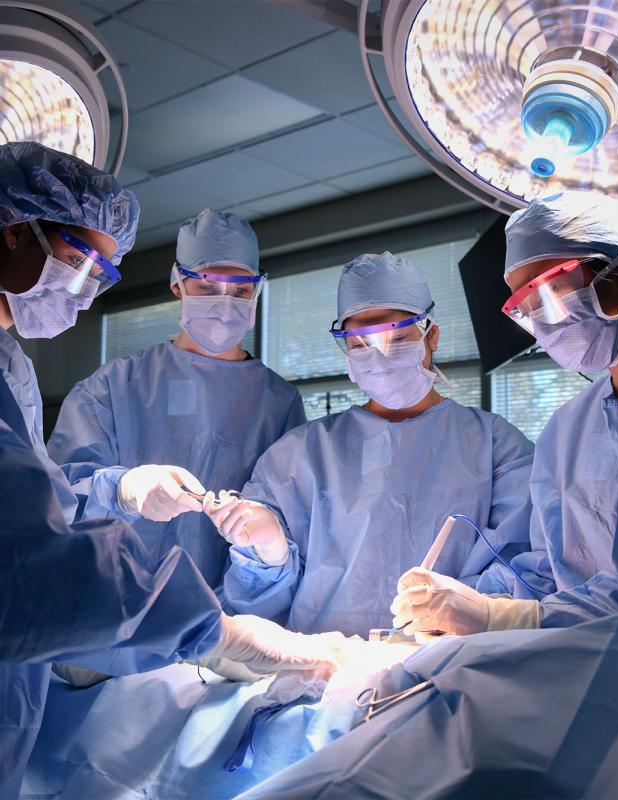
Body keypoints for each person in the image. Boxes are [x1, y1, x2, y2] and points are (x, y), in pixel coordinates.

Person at [0, 142, 331, 799]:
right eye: (79, 264)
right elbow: (30, 558)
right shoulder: (111, 385)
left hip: (163, 652)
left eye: (99, 276)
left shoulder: (10, 368)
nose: (84, 295)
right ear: (14, 229)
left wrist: (260, 561)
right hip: (105, 658)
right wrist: (210, 629)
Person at [391, 191, 618, 635]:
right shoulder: (568, 431)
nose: (541, 322)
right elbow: (548, 573)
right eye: (524, 309)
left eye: (548, 292)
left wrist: (507, 618)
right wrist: (473, 603)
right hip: (583, 675)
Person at [205, 251, 534, 637]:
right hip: (324, 674)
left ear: (433, 335)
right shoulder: (299, 455)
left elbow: (524, 570)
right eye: (360, 343)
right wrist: (269, 553)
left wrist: (463, 609)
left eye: (397, 337)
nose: (378, 356)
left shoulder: (496, 447)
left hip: (449, 665)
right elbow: (256, 607)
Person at [48, 209, 306, 589]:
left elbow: (288, 530)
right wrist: (125, 490)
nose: (224, 303)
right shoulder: (111, 387)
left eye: (240, 290)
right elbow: (57, 499)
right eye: (207, 286)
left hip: (233, 625)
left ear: (257, 290)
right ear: (177, 284)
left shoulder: (279, 403)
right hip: (119, 613)